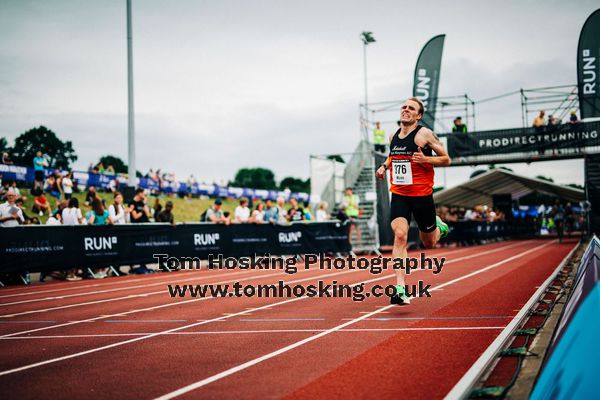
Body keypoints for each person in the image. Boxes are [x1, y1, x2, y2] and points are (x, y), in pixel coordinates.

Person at [375, 97, 451, 306]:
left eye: (411, 108)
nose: (406, 110)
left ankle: (439, 226)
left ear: (418, 116)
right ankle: (400, 288)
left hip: (422, 196)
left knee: (429, 242)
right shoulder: (393, 136)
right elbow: (393, 156)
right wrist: (384, 166)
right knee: (400, 236)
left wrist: (426, 159)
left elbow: (446, 159)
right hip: (400, 195)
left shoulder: (424, 134)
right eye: (404, 107)